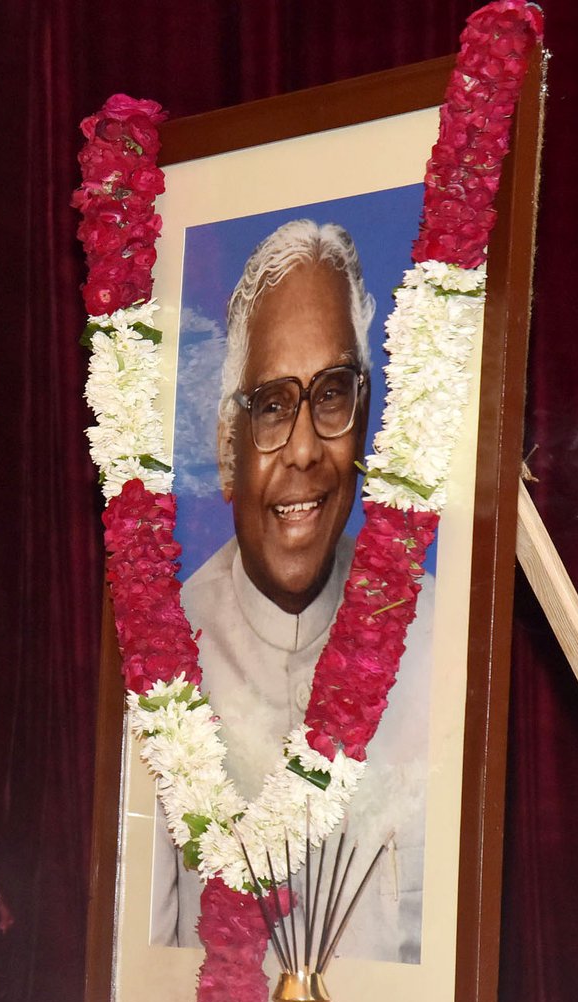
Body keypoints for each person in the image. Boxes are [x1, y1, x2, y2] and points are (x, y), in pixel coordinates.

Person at [152, 219, 433, 964]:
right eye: (274, 406)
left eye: (331, 394)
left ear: (364, 420)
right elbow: (144, 984)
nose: (305, 448)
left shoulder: (442, 637)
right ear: (227, 445)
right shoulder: (162, 663)